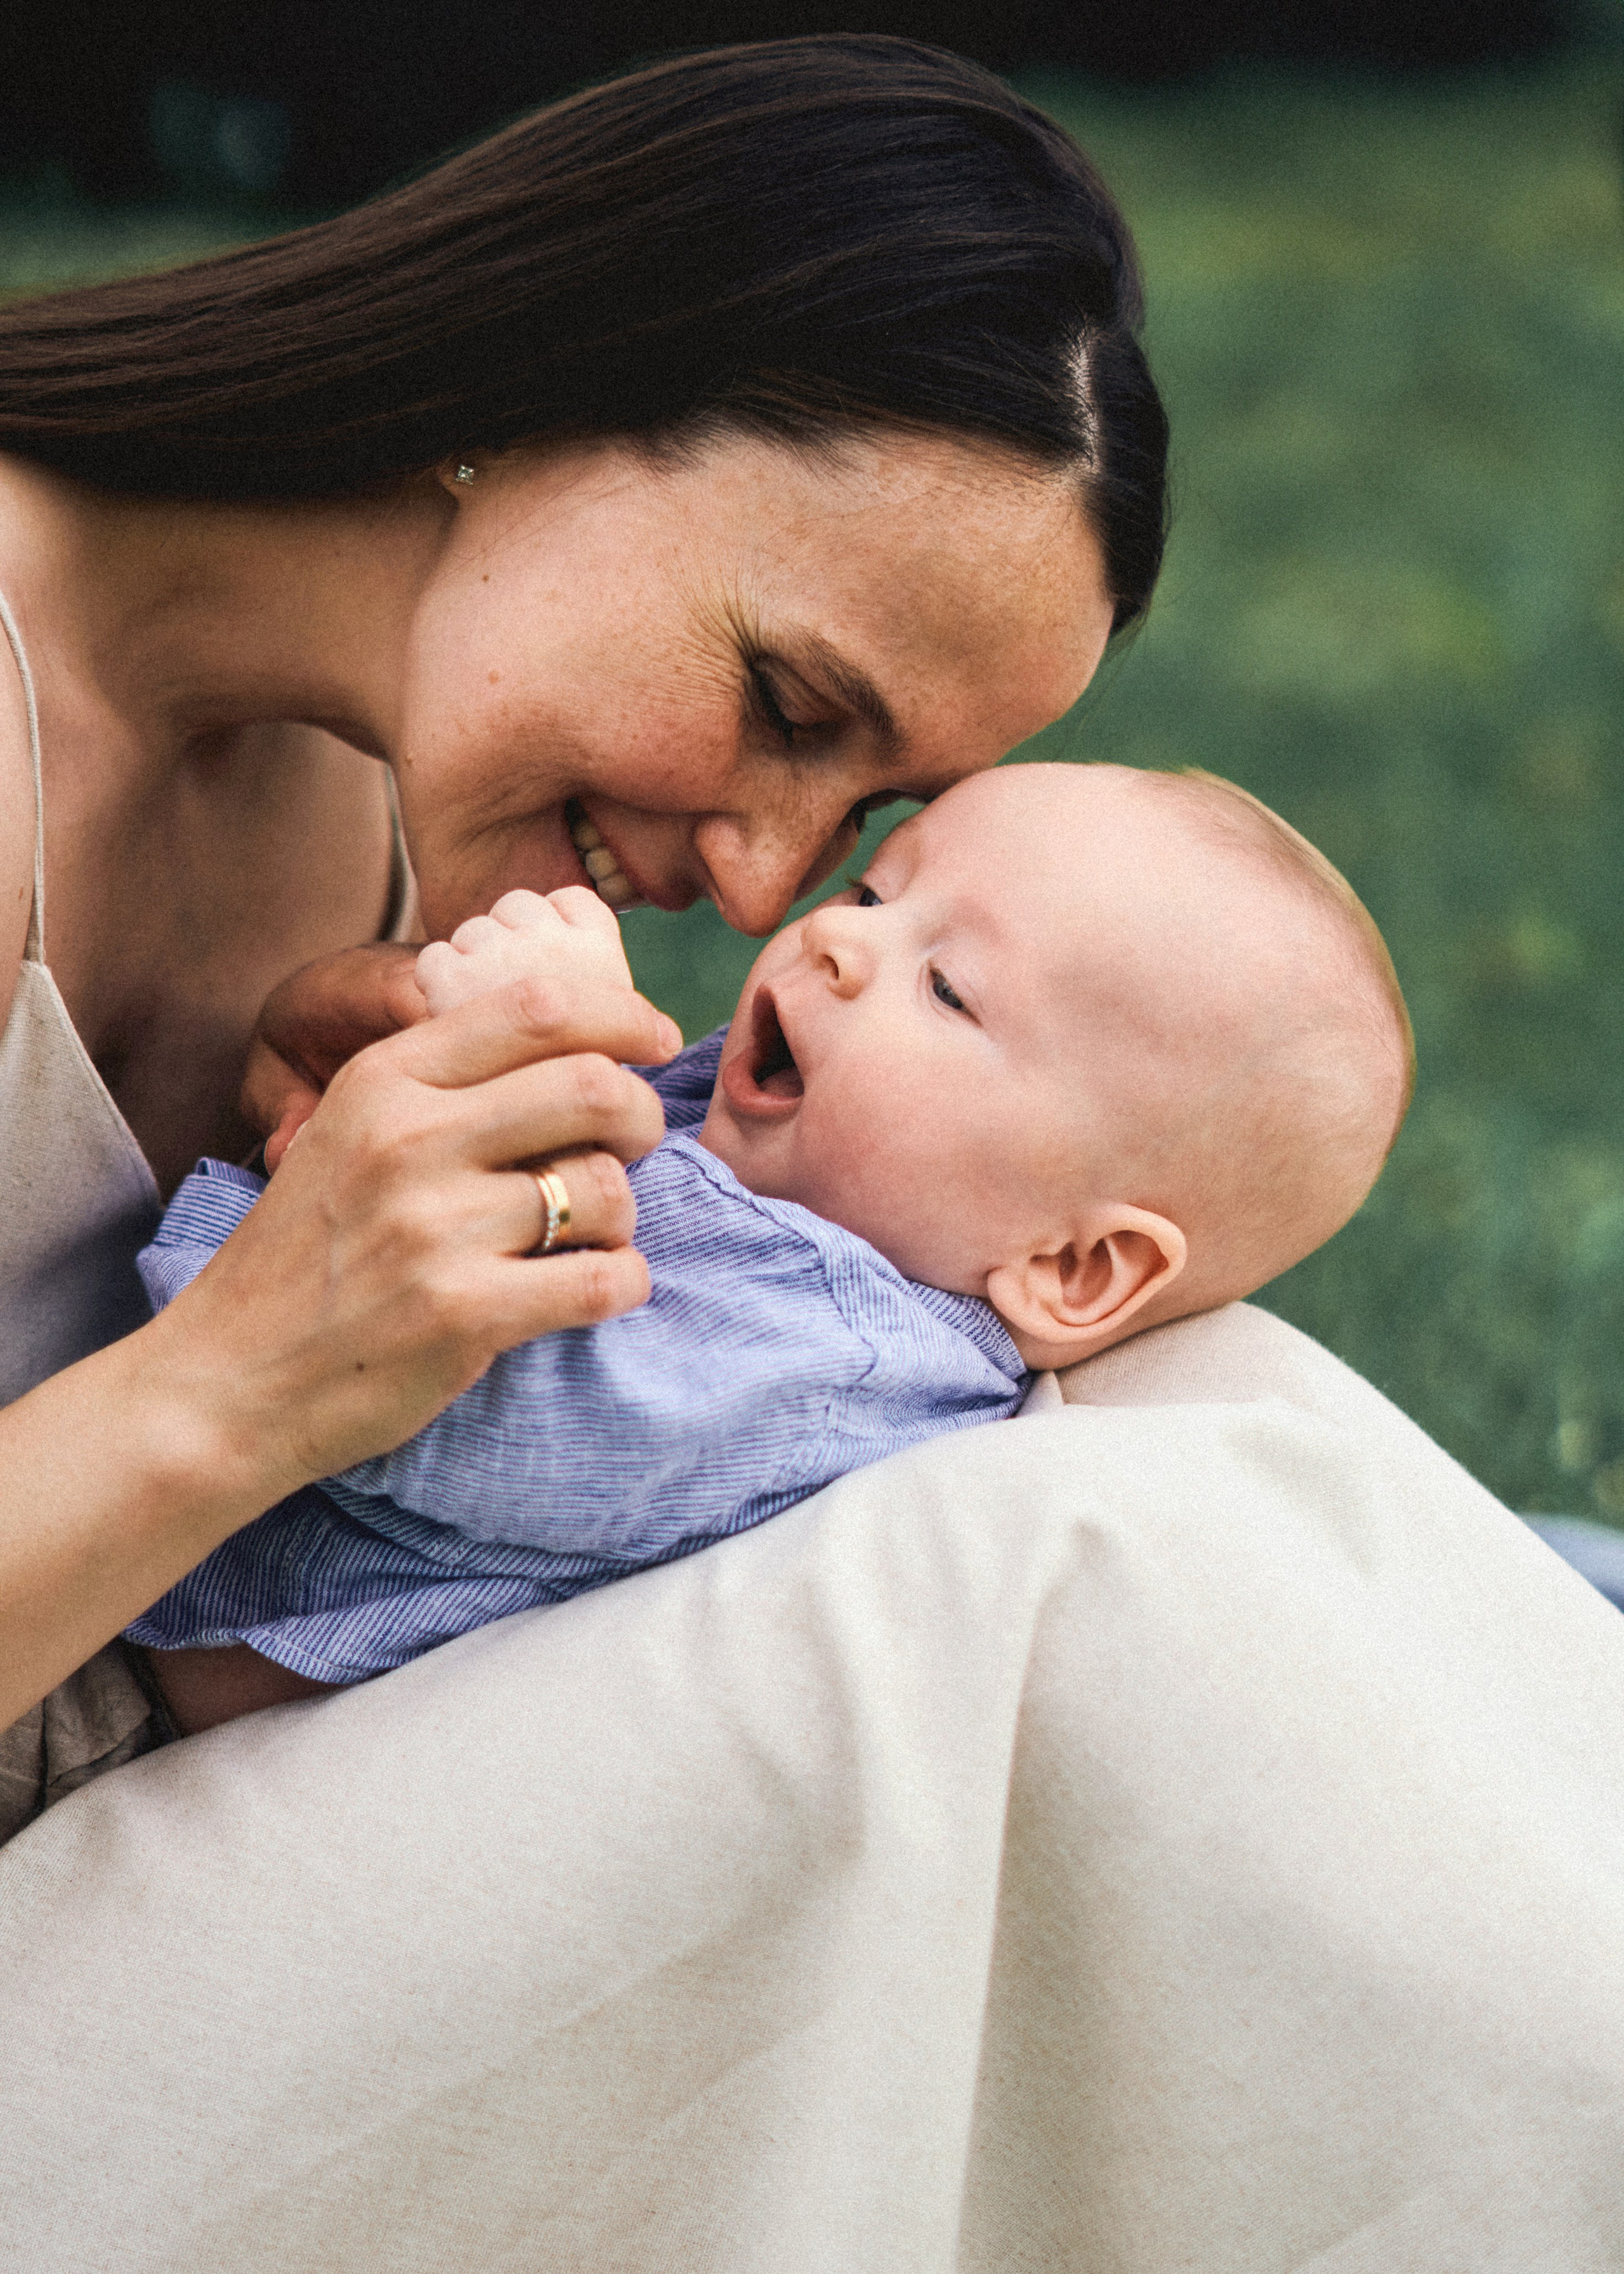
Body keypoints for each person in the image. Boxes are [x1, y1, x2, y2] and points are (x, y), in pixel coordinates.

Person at [0, 36, 1167, 1745]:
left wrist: (289, 1190)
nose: (772, 888)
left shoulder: (385, 819)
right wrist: (243, 1378)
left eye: (870, 814)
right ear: (547, 388)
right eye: (789, 706)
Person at [95, 763, 1405, 1756]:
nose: (839, 941)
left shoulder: (834, 1352)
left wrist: (536, 1072)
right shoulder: (773, 1156)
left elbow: (479, 1427)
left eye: (946, 987)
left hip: (134, 1698)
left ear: (1070, 1271)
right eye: (878, 893)